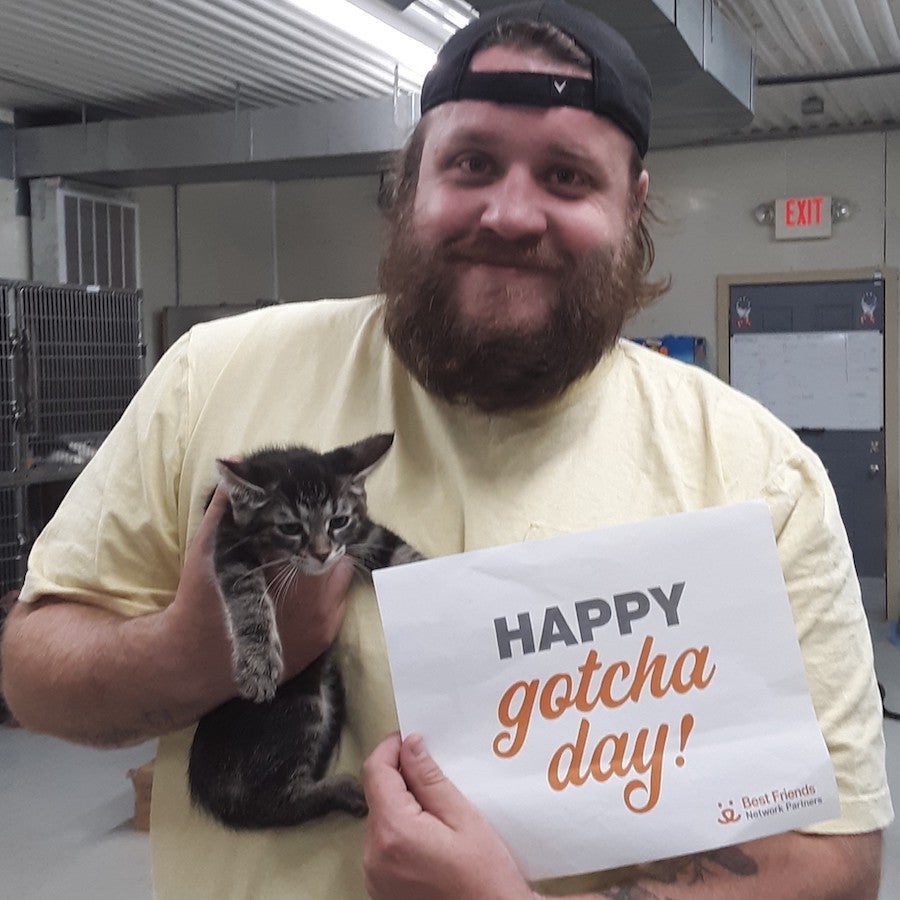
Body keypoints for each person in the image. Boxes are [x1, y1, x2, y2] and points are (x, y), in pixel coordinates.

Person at [1, 1, 892, 896]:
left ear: (635, 204)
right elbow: (33, 670)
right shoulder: (216, 377)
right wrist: (187, 655)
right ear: (409, 181)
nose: (509, 213)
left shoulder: (757, 475)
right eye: (471, 163)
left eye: (567, 176)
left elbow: (835, 857)